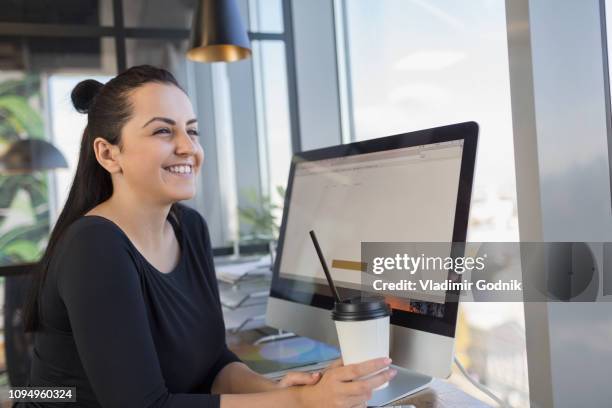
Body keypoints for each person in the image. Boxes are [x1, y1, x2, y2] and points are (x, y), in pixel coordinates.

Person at [18, 65, 396, 408]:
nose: (188, 147)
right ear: (108, 154)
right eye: (163, 131)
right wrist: (301, 404)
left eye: (192, 130)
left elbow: (213, 364)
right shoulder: (95, 246)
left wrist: (282, 391)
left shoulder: (190, 228)